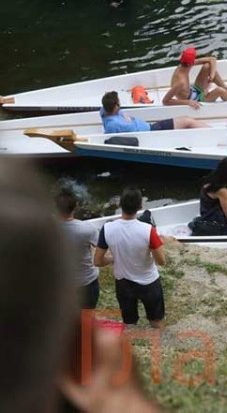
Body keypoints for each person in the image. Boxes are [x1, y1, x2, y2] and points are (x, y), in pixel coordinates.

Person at [0, 161, 161, 411]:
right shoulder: (88, 228)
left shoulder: (94, 228)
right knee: (91, 314)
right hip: (90, 282)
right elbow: (103, 255)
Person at [94, 187, 166, 328]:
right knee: (156, 320)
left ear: (119, 204)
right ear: (140, 206)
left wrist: (113, 259)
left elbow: (97, 261)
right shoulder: (148, 230)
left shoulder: (107, 229)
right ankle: (157, 343)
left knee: (130, 321)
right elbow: (161, 261)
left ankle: (131, 343)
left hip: (123, 282)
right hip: (149, 282)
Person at [55, 188, 108, 310]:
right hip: (87, 283)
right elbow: (102, 246)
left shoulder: (48, 229)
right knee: (87, 318)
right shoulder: (86, 229)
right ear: (76, 206)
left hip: (62, 284)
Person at [100, 91, 227, 133]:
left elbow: (109, 111)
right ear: (116, 106)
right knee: (188, 121)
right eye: (119, 103)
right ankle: (221, 131)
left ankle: (216, 129)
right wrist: (126, 119)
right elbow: (115, 133)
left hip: (151, 127)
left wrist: (123, 115)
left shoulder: (106, 112)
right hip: (152, 132)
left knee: (187, 120)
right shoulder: (114, 124)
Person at [162, 47, 227, 108]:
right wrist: (188, 102)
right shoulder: (180, 81)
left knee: (207, 66)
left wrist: (211, 75)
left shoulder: (184, 64)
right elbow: (165, 101)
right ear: (190, 63)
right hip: (197, 99)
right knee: (220, 90)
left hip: (194, 91)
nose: (195, 60)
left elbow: (212, 59)